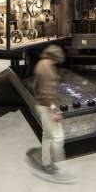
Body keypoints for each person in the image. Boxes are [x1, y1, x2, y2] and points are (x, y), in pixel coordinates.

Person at [33, 45, 72, 181]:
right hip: (46, 105)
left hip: (40, 103)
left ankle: (46, 163)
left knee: (47, 136)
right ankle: (60, 167)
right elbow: (47, 91)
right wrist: (53, 109)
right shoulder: (48, 67)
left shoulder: (40, 64)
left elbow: (36, 86)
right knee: (58, 137)